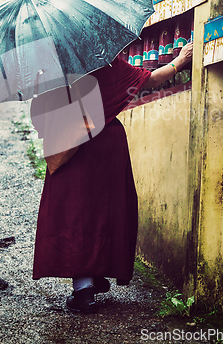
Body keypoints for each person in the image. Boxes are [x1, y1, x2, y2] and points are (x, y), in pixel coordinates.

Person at [30, 41, 193, 314]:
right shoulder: (101, 58)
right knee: (104, 211)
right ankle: (93, 277)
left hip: (68, 144)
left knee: (75, 213)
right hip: (106, 142)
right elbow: (149, 79)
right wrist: (180, 61)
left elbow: (42, 111)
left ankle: (84, 289)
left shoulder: (50, 67)